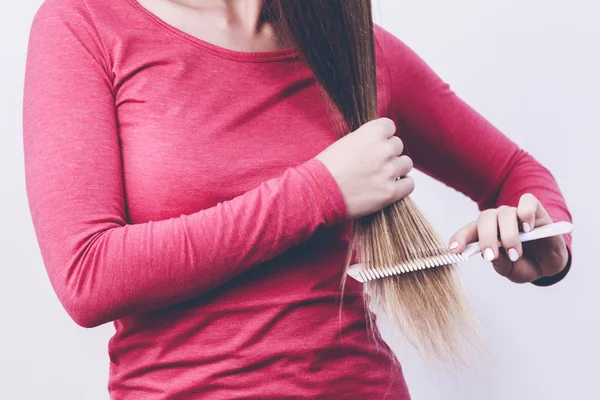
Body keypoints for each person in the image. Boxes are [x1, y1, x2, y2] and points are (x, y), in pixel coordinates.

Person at [22, 0, 573, 398]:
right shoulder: (87, 23)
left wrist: (545, 247)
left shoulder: (355, 51)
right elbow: (87, 276)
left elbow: (515, 172)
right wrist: (321, 190)